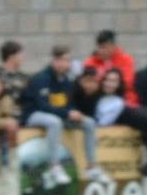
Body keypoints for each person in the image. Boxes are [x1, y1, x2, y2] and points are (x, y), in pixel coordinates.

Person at [22, 45, 103, 186]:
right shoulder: (42, 78)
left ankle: (92, 167)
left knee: (89, 122)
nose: (64, 64)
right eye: (61, 60)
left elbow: (68, 103)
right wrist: (67, 113)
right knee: (54, 122)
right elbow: (43, 105)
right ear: (54, 61)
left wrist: (75, 113)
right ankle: (54, 166)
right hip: (33, 114)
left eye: (67, 60)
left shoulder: (66, 80)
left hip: (58, 115)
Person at [91, 68, 147, 178]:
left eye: (114, 81)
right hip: (117, 115)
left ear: (119, 84)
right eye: (107, 80)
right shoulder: (95, 96)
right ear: (102, 81)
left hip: (124, 109)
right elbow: (101, 120)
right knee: (145, 119)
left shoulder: (118, 97)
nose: (109, 84)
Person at [84, 29, 140, 105]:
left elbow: (128, 82)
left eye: (105, 47)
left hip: (124, 99)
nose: (101, 51)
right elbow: (88, 84)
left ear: (114, 46)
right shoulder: (90, 62)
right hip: (98, 98)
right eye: (100, 47)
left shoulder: (126, 60)